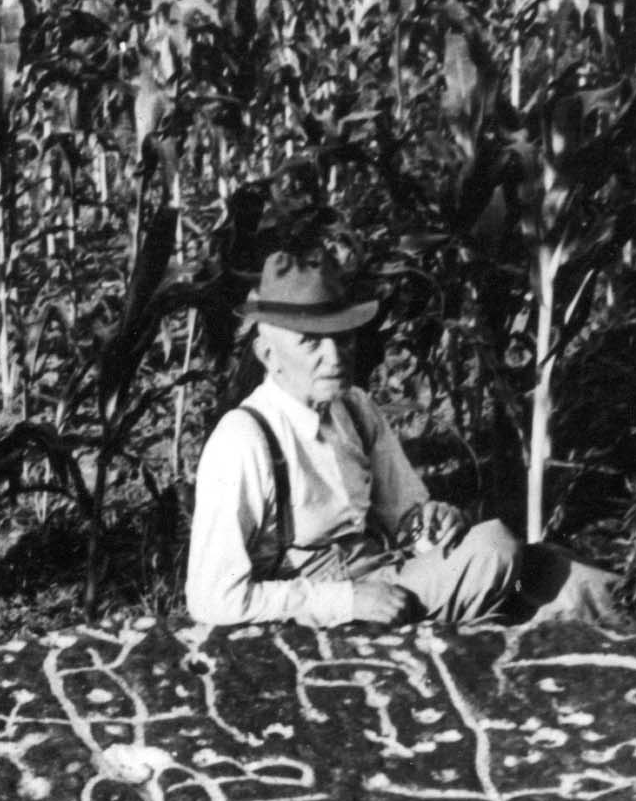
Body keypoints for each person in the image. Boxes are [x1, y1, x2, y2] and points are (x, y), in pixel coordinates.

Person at [183, 251, 525, 630]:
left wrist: (435, 520)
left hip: (390, 573)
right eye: (311, 342)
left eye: (342, 338)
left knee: (571, 579)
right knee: (495, 548)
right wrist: (345, 601)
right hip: (325, 609)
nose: (334, 357)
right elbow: (211, 597)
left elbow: (407, 518)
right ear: (268, 354)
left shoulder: (356, 408)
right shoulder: (244, 440)